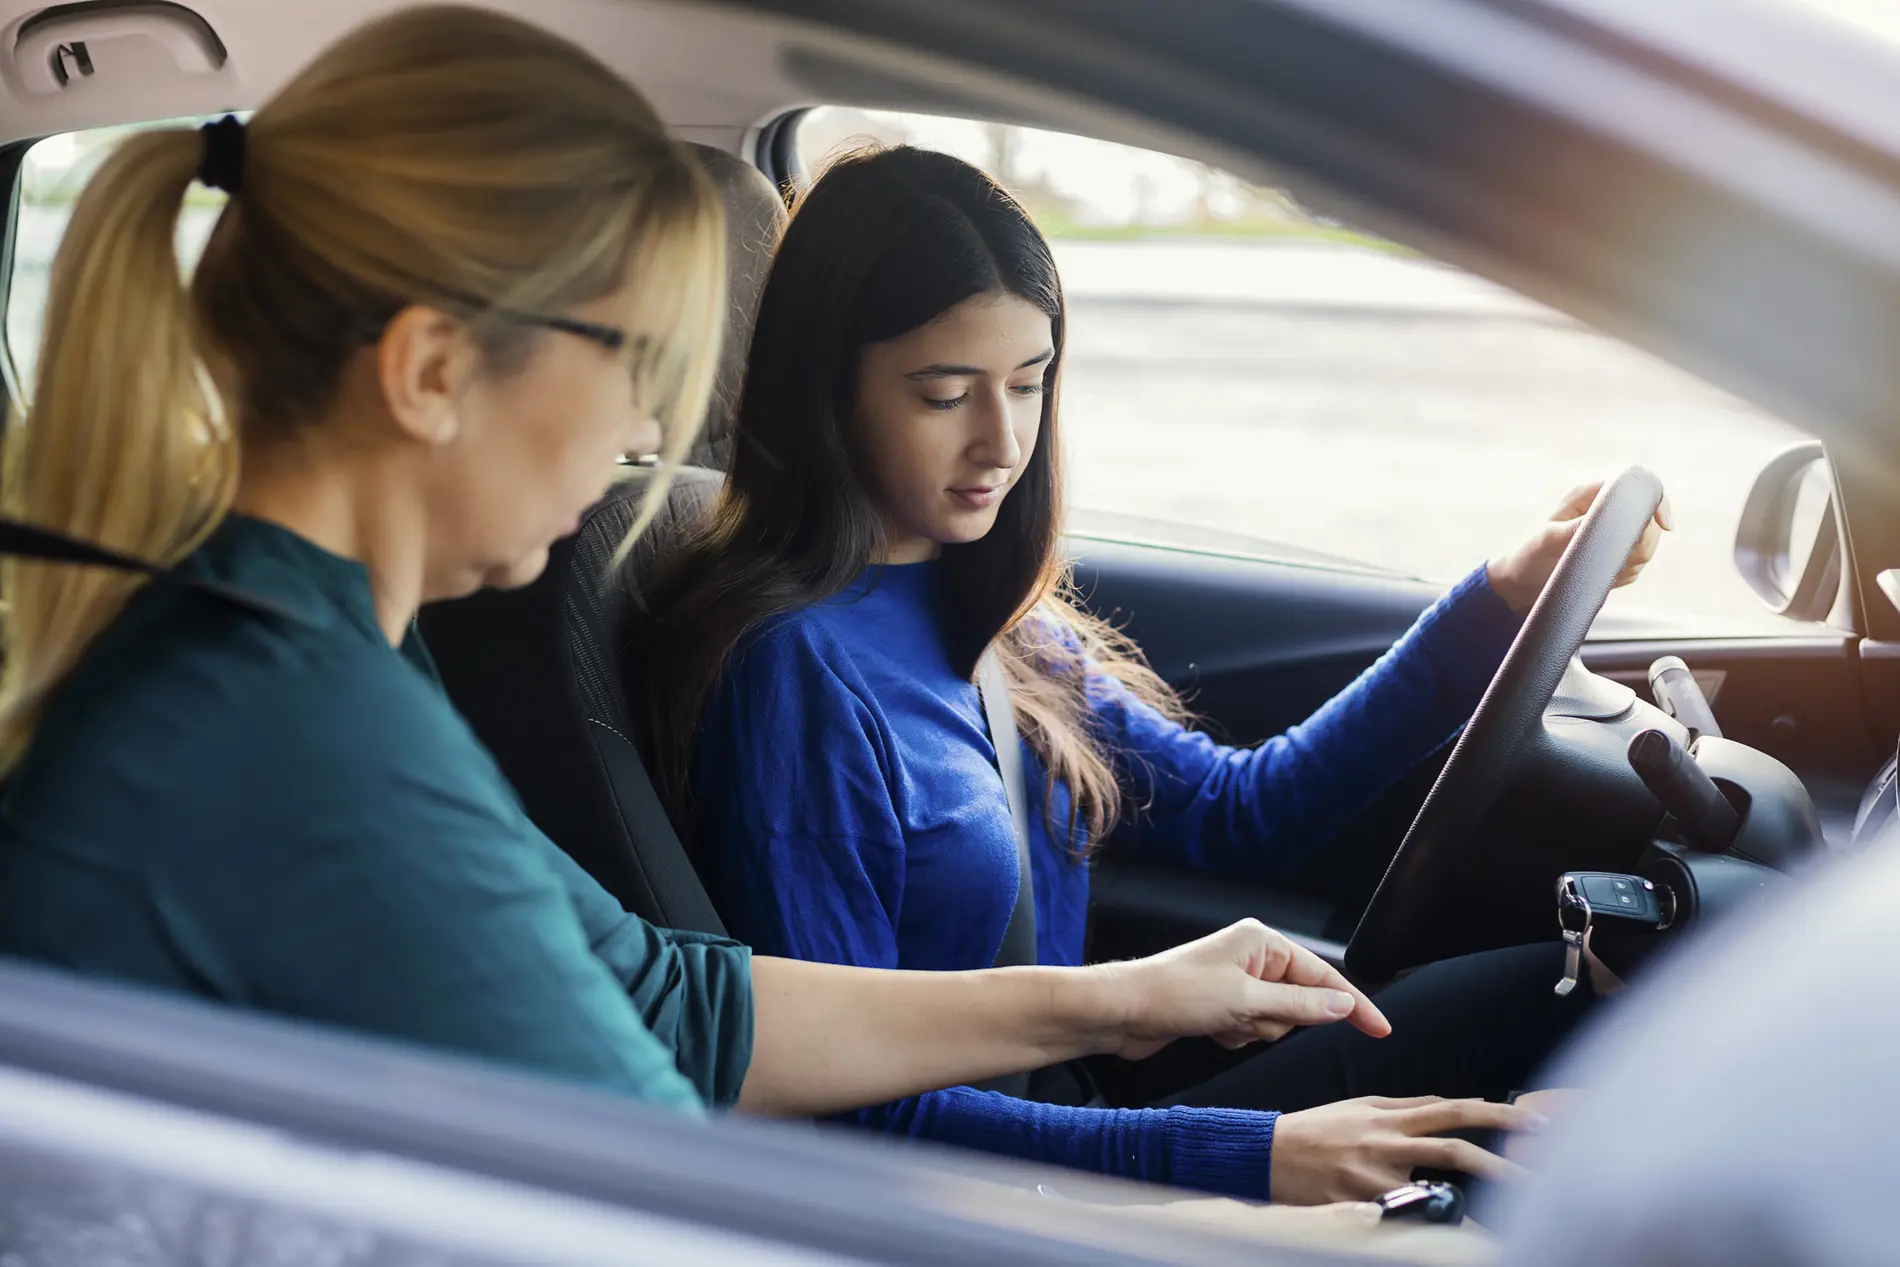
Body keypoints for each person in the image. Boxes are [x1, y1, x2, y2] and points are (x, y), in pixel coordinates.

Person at [0, 8, 1393, 1128]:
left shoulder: (316, 651)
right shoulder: (292, 725)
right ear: (432, 371)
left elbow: (672, 1000)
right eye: (638, 368)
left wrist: (1118, 1001)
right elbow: (648, 1163)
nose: (652, 436)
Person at [634, 146, 1669, 1199]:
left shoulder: (995, 617)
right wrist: (1244, 1157)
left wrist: (1502, 594)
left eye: (1029, 385)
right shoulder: (794, 678)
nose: (1003, 442)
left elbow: (1241, 810)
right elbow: (845, 1112)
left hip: (1077, 1116)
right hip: (1011, 1184)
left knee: (1583, 987)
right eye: (945, 394)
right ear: (828, 393)